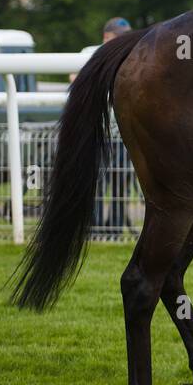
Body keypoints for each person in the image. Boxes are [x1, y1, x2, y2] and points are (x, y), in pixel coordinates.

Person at [75, 17, 134, 239]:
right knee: (97, 182)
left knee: (121, 185)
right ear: (106, 37)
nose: (120, 41)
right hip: (99, 131)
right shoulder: (91, 51)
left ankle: (115, 230)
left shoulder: (131, 50)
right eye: (116, 37)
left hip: (122, 134)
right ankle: (96, 228)